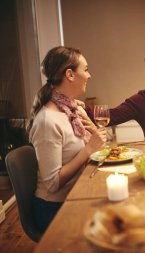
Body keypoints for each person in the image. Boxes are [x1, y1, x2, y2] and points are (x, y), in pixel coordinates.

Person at [27, 46, 107, 232]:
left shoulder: (72, 110)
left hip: (79, 194)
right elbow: (53, 183)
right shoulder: (47, 121)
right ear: (70, 74)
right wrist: (88, 149)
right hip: (55, 208)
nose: (89, 75)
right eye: (85, 69)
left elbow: (100, 150)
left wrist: (94, 132)